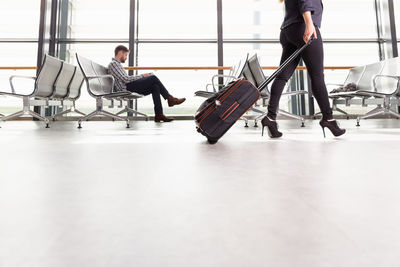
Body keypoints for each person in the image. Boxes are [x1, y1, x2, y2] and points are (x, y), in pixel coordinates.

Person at [262, 0, 346, 138]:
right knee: (317, 75)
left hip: (288, 30)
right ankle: (328, 119)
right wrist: (309, 23)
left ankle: (270, 118)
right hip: (302, 26)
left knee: (282, 77)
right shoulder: (306, 23)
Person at [108, 45, 186, 122]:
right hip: (125, 89)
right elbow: (126, 79)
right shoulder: (114, 64)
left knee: (155, 87)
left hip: (128, 86)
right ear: (120, 53)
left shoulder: (117, 64)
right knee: (153, 77)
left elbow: (125, 79)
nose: (126, 57)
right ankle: (170, 99)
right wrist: (143, 75)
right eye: (125, 55)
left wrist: (142, 76)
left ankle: (159, 115)